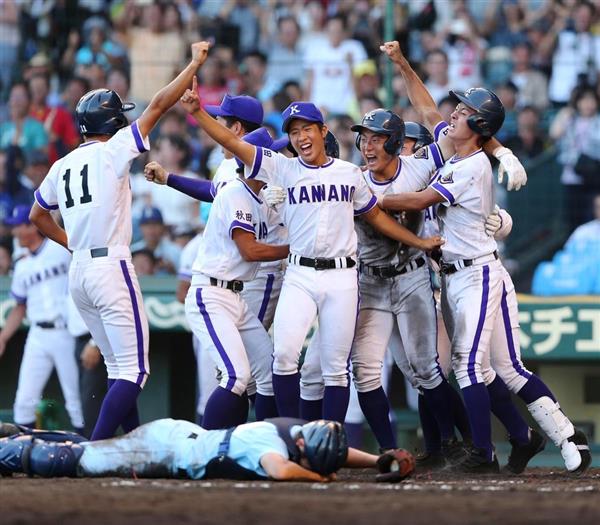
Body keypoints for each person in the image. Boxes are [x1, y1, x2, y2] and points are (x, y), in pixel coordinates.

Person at [181, 66, 444, 424]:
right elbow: (232, 143)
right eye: (293, 132)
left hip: (342, 276)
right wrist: (197, 113)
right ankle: (292, 434)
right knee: (285, 357)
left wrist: (418, 241)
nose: (300, 136)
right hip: (300, 273)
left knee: (336, 369)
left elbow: (377, 218)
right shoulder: (284, 169)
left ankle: (330, 437)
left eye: (306, 128)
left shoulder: (349, 173)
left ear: (323, 131)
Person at [377, 40, 591, 475]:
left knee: (470, 366)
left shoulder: (469, 165)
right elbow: (427, 110)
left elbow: (418, 202)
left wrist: (361, 198)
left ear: (476, 123)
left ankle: (481, 452)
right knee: (505, 369)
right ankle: (564, 437)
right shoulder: (455, 150)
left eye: (462, 110)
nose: (452, 112)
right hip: (456, 276)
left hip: (477, 274)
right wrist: (402, 63)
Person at [28, 41, 212, 441]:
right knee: (136, 371)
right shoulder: (112, 151)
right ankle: (95, 447)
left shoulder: (62, 164)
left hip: (79, 273)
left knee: (119, 369)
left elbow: (36, 216)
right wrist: (194, 63)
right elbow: (161, 103)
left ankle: (131, 447)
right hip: (110, 266)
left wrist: (71, 243)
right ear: (109, 123)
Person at [146, 120, 291, 430]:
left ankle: (271, 440)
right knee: (236, 376)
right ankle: (209, 445)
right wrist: (293, 250)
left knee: (267, 370)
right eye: (270, 156)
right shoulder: (236, 193)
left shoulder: (258, 196)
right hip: (210, 294)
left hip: (234, 295)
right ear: (253, 163)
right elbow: (249, 251)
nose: (276, 162)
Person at [0, 418, 414, 483]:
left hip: (179, 436)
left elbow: (330, 452)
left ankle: (14, 432)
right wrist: (317, 477)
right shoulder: (271, 444)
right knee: (73, 463)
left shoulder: (297, 431)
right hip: (163, 450)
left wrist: (378, 459)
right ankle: (10, 449)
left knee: (91, 448)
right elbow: (283, 471)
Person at [0, 205, 84, 433]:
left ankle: (89, 450)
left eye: (18, 226)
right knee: (24, 401)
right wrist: (4, 337)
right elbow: (19, 308)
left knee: (75, 399)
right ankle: (22, 452)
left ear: (31, 227)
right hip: (37, 334)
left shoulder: (60, 248)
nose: (15, 232)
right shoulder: (21, 266)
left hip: (65, 331)